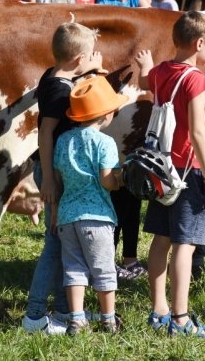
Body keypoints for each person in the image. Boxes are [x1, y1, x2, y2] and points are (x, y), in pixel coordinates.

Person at [134, 11, 205, 337]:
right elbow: (199, 133)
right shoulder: (196, 80)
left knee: (162, 239)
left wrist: (145, 67)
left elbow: (144, 82)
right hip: (189, 171)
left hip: (161, 170)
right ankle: (181, 319)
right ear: (200, 44)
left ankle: (158, 312)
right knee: (185, 245)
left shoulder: (160, 73)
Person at [22, 22, 105, 335]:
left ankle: (62, 311)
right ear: (78, 59)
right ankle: (33, 317)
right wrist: (49, 181)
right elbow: (45, 132)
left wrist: (90, 67)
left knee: (62, 240)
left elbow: (69, 74)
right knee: (55, 243)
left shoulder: (51, 75)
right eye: (87, 57)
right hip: (55, 171)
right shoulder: (60, 90)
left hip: (56, 170)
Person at [52, 77, 128, 335]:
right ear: (106, 115)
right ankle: (108, 319)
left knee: (73, 269)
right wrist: (120, 181)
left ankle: (76, 319)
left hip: (67, 217)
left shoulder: (63, 140)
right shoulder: (105, 142)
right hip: (97, 216)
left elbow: (59, 178)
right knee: (103, 269)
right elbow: (107, 182)